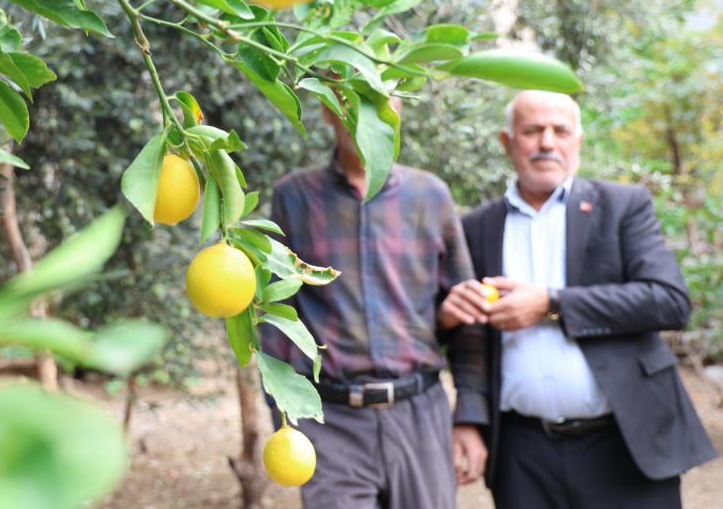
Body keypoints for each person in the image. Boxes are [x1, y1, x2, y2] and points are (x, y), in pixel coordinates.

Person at [439, 89, 717, 509]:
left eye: (560, 131)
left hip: (624, 444)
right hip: (522, 453)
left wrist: (550, 304)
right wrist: (470, 419)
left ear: (578, 141)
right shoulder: (477, 227)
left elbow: (668, 301)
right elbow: (470, 341)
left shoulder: (623, 206)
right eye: (533, 130)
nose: (547, 142)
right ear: (507, 141)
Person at [261, 97, 489, 509]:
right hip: (331, 420)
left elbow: (466, 312)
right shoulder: (294, 197)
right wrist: (283, 415)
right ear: (327, 108)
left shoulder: (430, 196)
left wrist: (470, 416)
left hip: (420, 416)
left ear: (398, 110)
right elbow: (273, 317)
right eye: (349, 98)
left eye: (379, 100)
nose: (365, 113)